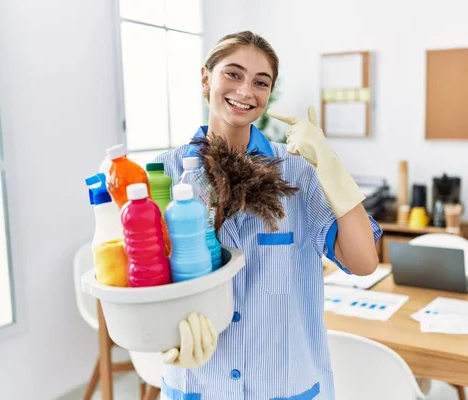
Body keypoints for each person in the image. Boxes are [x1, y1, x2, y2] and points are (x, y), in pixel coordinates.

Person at [153, 30, 382, 400]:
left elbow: (364, 262)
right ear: (205, 78)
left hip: (285, 385)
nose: (245, 91)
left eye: (261, 82)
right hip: (199, 383)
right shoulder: (164, 174)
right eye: (233, 74)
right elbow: (145, 280)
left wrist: (331, 165)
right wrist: (157, 331)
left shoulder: (297, 171)